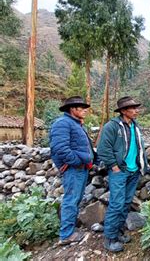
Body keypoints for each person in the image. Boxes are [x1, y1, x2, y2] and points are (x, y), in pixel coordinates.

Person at [97, 96, 148, 252]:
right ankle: (109, 238)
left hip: (133, 171)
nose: (136, 110)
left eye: (136, 108)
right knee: (117, 204)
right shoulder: (112, 127)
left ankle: (118, 232)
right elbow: (103, 149)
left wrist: (142, 165)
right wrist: (114, 166)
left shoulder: (135, 126)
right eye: (132, 108)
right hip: (120, 171)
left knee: (126, 203)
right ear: (124, 111)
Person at [50, 96, 95, 245]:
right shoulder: (62, 124)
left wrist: (92, 158)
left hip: (80, 169)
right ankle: (66, 235)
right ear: (72, 109)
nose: (85, 110)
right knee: (71, 200)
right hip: (74, 169)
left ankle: (69, 231)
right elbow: (60, 149)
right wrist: (77, 162)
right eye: (81, 108)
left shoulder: (76, 124)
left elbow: (83, 147)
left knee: (74, 199)